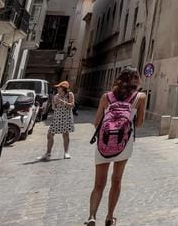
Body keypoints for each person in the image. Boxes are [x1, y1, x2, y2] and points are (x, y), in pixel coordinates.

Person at [85, 67, 146, 226]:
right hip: (124, 143)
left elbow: (96, 122)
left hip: (104, 143)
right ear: (136, 80)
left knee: (99, 183)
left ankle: (92, 216)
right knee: (116, 180)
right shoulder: (140, 97)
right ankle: (110, 216)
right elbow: (139, 123)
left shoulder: (106, 97)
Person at [40, 81, 75, 160]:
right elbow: (53, 108)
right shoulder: (56, 96)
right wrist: (54, 103)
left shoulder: (69, 95)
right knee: (50, 135)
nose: (58, 88)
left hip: (66, 117)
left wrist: (63, 102)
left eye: (59, 87)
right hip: (57, 117)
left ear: (63, 88)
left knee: (65, 134)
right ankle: (48, 153)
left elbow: (72, 105)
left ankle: (66, 153)